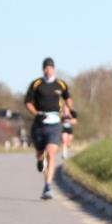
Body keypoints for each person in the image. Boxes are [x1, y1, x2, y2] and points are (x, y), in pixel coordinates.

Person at [24, 57, 74, 200]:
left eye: (50, 67)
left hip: (54, 123)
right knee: (40, 153)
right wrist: (36, 113)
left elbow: (68, 98)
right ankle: (39, 161)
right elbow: (27, 102)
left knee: (51, 153)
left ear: (54, 69)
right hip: (39, 123)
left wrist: (71, 109)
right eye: (46, 67)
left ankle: (47, 186)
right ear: (43, 69)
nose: (48, 70)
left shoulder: (61, 84)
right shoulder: (36, 84)